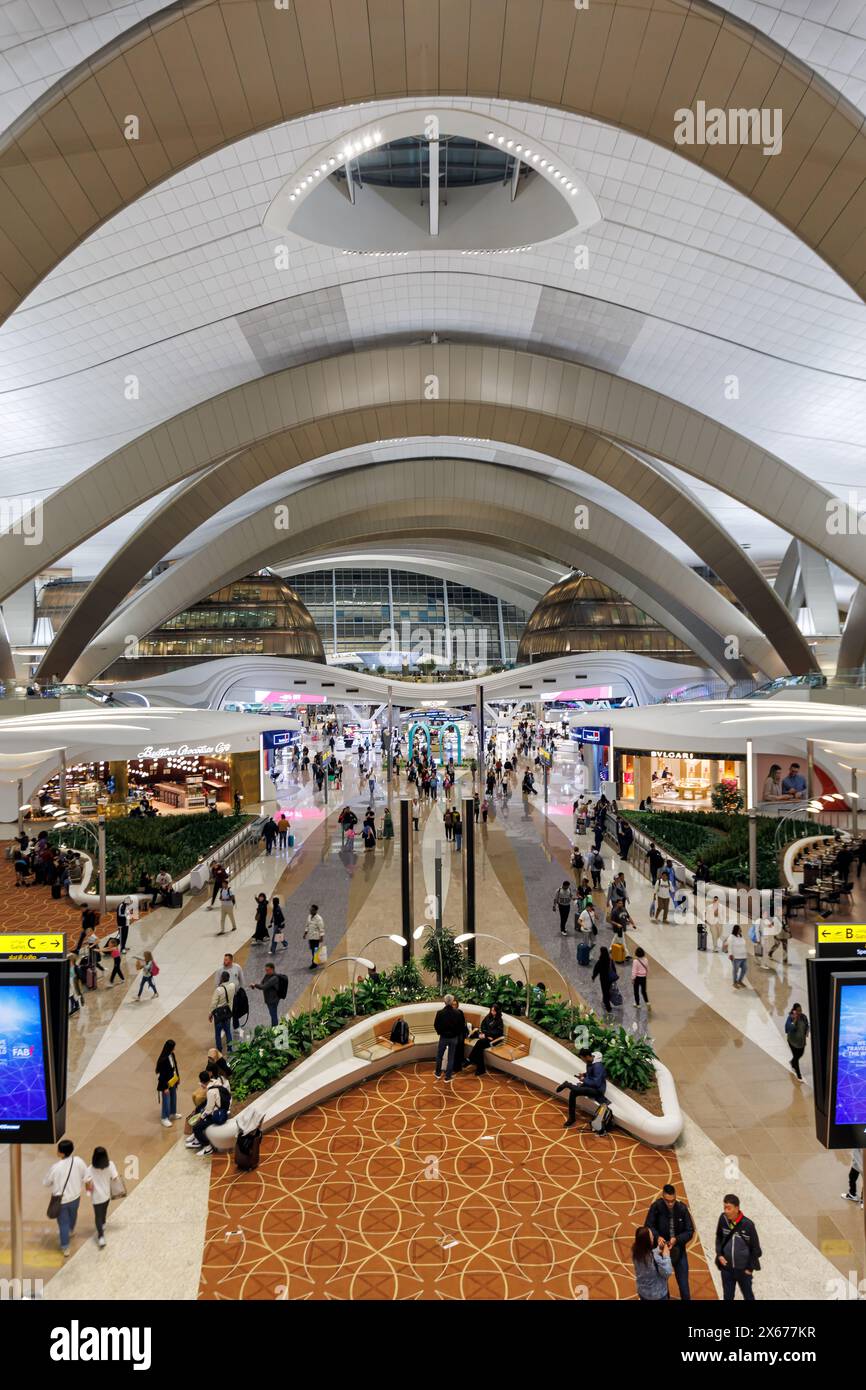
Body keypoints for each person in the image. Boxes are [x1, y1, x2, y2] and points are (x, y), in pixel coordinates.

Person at [645, 1184, 694, 1300]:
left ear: (676, 1197)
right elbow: (648, 1226)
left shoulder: (682, 1209)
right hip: (660, 1252)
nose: (670, 1204)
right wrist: (657, 1237)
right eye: (667, 1201)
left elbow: (690, 1231)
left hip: (678, 1250)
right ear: (663, 1197)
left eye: (673, 1201)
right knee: (662, 1287)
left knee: (684, 1287)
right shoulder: (656, 1207)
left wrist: (677, 1239)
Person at [43, 1139, 88, 1257]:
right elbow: (86, 1175)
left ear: (61, 1153)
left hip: (61, 1201)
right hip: (76, 1197)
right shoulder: (78, 1161)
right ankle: (71, 1230)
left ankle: (65, 1247)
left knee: (63, 1223)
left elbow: (46, 1182)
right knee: (73, 1215)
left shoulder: (55, 1167)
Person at [715, 1194, 761, 1300]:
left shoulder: (748, 1225)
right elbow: (719, 1237)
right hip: (727, 1269)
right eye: (724, 1208)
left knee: (748, 1297)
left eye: (729, 1208)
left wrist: (749, 1268)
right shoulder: (723, 1219)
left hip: (743, 1271)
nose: (726, 1211)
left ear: (737, 1208)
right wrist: (719, 1254)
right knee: (727, 1297)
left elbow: (756, 1250)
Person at [555, 1049, 607, 1128]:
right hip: (589, 1085)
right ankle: (572, 1118)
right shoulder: (590, 1061)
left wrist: (584, 1080)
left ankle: (567, 1084)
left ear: (587, 1057)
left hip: (597, 1090)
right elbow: (591, 1073)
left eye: (582, 1058)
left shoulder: (598, 1066)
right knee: (573, 1093)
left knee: (575, 1089)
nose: (582, 1060)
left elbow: (597, 1083)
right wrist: (584, 1074)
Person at [185, 1072, 231, 1156]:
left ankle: (207, 1147)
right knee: (199, 1109)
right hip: (223, 1109)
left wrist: (200, 1117)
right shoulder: (216, 1082)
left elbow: (209, 1110)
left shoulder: (210, 1092)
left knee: (196, 1127)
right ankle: (196, 1137)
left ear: (202, 1082)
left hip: (218, 1115)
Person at [84, 1146, 120, 1249]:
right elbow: (115, 1177)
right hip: (107, 1194)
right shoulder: (110, 1165)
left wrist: (88, 1193)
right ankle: (103, 1224)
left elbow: (87, 1183)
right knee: (104, 1211)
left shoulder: (89, 1169)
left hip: (96, 1197)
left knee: (98, 1215)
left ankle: (101, 1236)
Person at [632, 1227, 674, 1300]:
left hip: (643, 1292)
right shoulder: (656, 1258)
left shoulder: (636, 1253)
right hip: (658, 1295)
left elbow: (649, 1254)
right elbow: (667, 1272)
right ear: (647, 1241)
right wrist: (666, 1255)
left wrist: (658, 1249)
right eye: (651, 1237)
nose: (653, 1237)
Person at [467, 1002, 504, 1075]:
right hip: (487, 1037)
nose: (492, 1012)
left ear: (497, 1011)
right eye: (491, 1010)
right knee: (479, 1048)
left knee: (479, 1043)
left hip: (493, 1040)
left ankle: (471, 1059)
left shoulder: (499, 1020)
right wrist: (486, 1034)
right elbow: (483, 1026)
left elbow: (498, 1032)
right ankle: (480, 1069)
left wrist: (486, 1035)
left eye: (494, 1011)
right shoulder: (488, 1017)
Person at [433, 994, 464, 1082]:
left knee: (439, 1056)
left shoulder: (440, 1012)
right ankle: (448, 1077)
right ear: (452, 1002)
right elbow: (461, 1026)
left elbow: (436, 1025)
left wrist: (440, 1033)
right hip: (454, 1038)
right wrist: (456, 1034)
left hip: (443, 1037)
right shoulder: (458, 1013)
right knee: (451, 1057)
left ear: (444, 1002)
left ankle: (438, 1073)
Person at [154, 1039, 180, 1127]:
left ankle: (173, 1112)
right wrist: (165, 1087)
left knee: (173, 1096)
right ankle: (164, 1117)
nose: (174, 1049)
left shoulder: (172, 1055)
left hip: (172, 1079)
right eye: (173, 1048)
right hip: (165, 1082)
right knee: (166, 1100)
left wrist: (178, 1077)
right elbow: (161, 1076)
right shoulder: (163, 1060)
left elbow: (175, 1066)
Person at [210, 970, 236, 1053]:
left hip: (219, 1014)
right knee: (228, 1031)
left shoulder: (218, 990)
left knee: (217, 1033)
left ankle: (219, 1049)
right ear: (228, 978)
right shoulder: (232, 986)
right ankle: (230, 1048)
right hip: (228, 1012)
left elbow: (213, 1004)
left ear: (221, 978)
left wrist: (210, 1014)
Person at [252, 962, 283, 1027]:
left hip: (273, 999)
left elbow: (263, 986)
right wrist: (257, 985)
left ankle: (275, 1028)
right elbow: (262, 983)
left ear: (272, 969)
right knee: (272, 1013)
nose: (266, 971)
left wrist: (255, 985)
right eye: (266, 970)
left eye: (267, 970)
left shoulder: (274, 978)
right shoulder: (267, 975)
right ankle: (274, 1026)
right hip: (269, 998)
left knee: (273, 1014)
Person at [784, 1003, 809, 1081]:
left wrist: (807, 1032)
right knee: (796, 1056)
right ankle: (798, 1075)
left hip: (801, 1042)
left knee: (800, 1054)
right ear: (794, 1011)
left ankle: (792, 1062)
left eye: (800, 1010)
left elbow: (807, 1025)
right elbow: (787, 1029)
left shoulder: (804, 1017)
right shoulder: (790, 1018)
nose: (799, 1012)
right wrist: (794, 1020)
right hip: (792, 1041)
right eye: (797, 1010)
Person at [591, 946, 617, 1013]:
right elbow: (614, 969)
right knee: (607, 990)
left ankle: (608, 1006)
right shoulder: (610, 960)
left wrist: (593, 977)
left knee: (605, 991)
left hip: (603, 979)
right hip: (610, 979)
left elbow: (596, 970)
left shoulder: (600, 961)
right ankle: (605, 1000)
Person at [723, 924, 748, 989]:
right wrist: (730, 955)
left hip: (743, 957)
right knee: (735, 971)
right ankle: (735, 982)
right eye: (739, 929)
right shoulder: (731, 937)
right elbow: (730, 946)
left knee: (745, 969)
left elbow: (743, 944)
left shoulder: (740, 936)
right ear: (736, 929)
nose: (741, 930)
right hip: (736, 958)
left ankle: (740, 981)